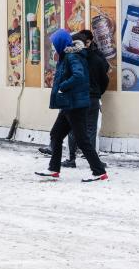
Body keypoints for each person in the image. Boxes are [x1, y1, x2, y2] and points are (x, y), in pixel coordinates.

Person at [36, 30, 108, 182]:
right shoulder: (66, 55)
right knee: (56, 134)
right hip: (69, 103)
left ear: (61, 43)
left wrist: (63, 86)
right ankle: (53, 169)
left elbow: (79, 75)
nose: (54, 47)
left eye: (55, 43)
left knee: (82, 140)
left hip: (75, 104)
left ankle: (99, 172)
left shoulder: (72, 56)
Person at [62, 30, 110, 168]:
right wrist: (97, 92)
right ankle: (94, 162)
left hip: (75, 98)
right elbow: (104, 79)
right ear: (87, 43)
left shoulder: (71, 58)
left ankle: (70, 159)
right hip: (92, 98)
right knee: (91, 130)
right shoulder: (97, 58)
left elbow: (65, 77)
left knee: (71, 128)